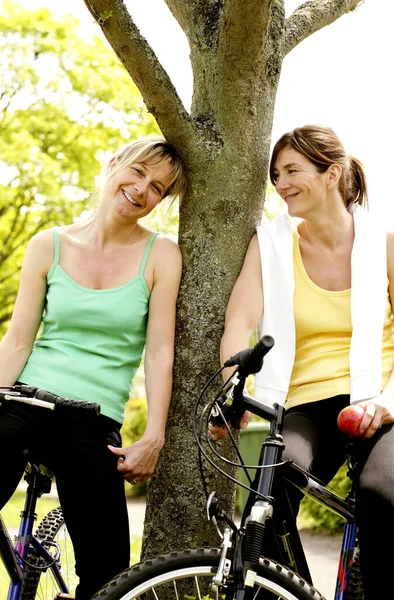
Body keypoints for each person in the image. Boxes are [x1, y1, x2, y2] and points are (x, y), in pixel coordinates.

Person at [0, 136, 186, 599]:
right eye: (138, 172)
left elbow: (160, 352)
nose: (143, 189)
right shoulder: (50, 245)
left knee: (108, 572)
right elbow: (19, 339)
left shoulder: (161, 255)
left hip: (92, 419)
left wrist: (154, 437)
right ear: (113, 165)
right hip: (25, 401)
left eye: (158, 188)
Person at [220, 125, 394, 598]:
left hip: (380, 400)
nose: (280, 184)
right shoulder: (271, 245)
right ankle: (296, 593)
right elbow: (239, 322)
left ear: (332, 173)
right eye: (276, 174)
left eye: (292, 171)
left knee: (383, 494)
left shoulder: (384, 242)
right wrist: (227, 394)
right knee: (269, 497)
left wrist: (387, 402)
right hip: (305, 402)